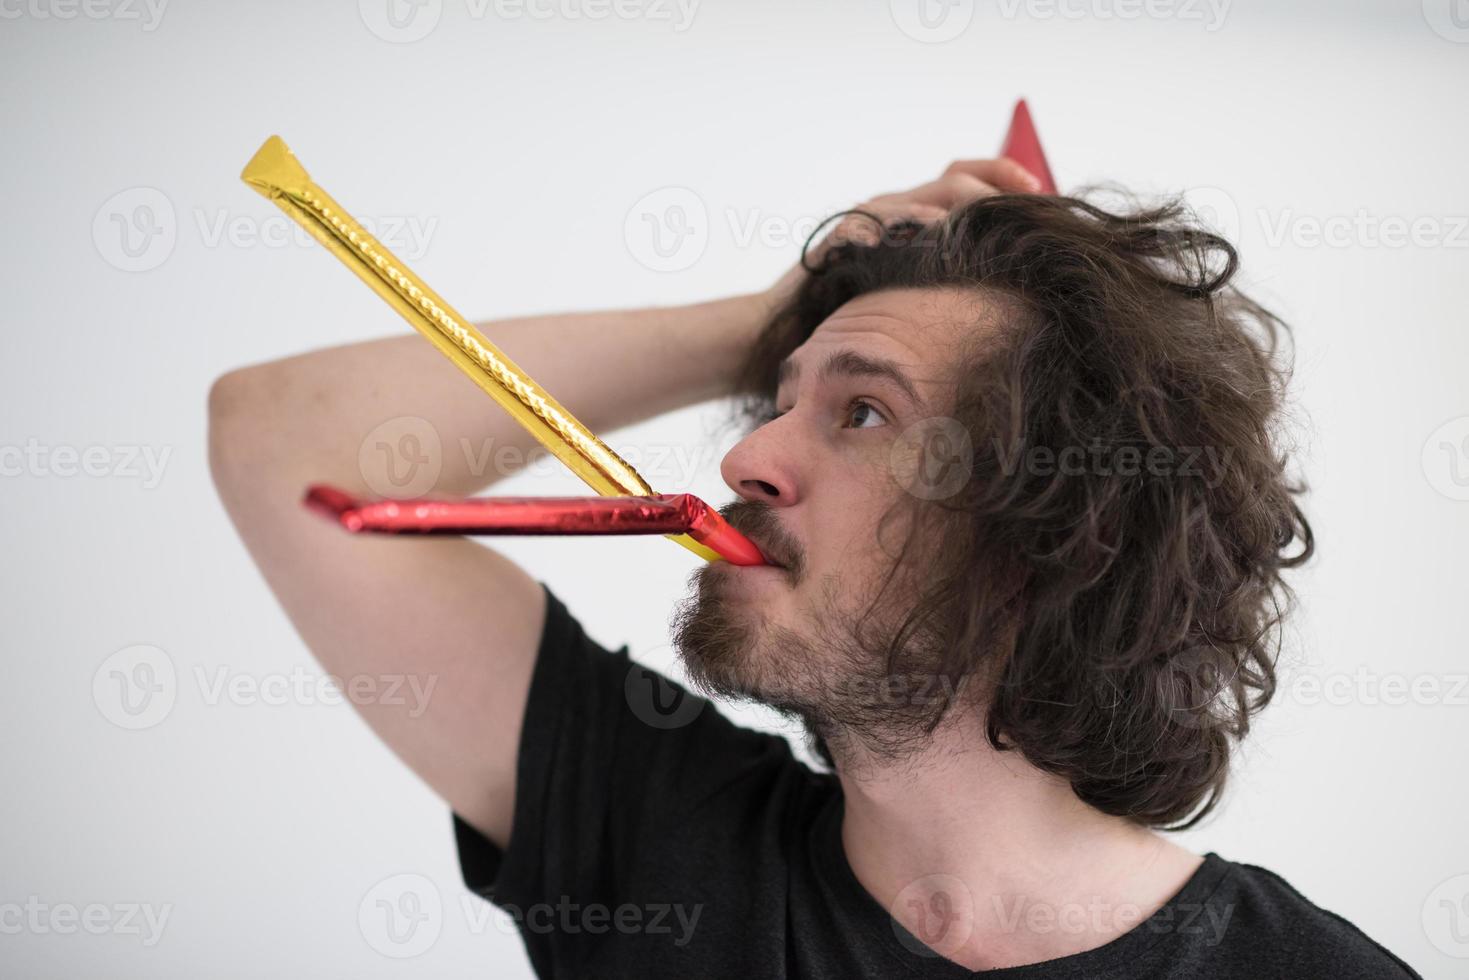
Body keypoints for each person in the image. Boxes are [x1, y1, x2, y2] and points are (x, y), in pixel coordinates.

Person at [208, 157, 1421, 977]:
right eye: (773, 401)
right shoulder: (656, 847)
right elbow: (281, 444)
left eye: (862, 417)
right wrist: (777, 312)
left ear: (1052, 523)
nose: (743, 456)